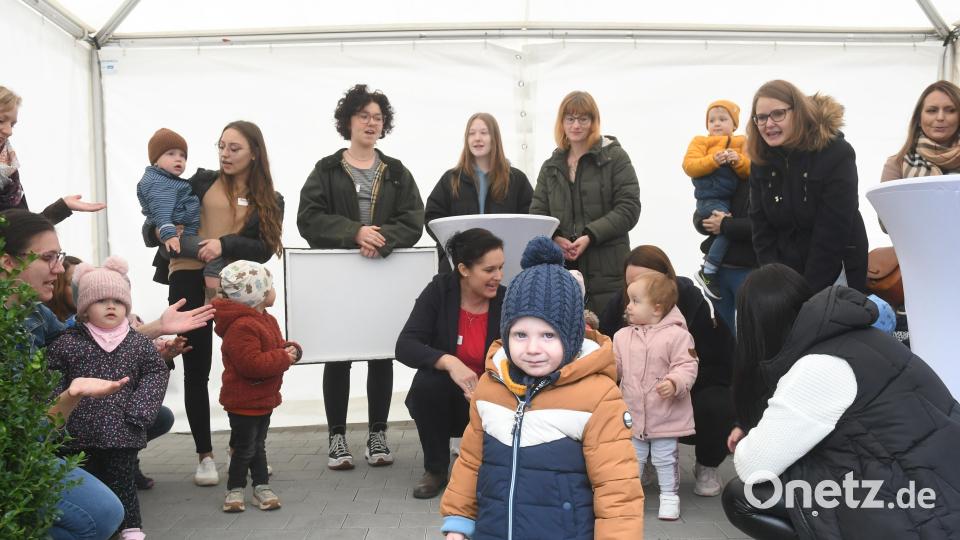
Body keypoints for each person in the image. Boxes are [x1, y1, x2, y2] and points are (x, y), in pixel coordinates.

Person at [1, 208, 212, 539]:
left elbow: (88, 344)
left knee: (156, 417)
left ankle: (95, 469)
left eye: (60, 256)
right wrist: (71, 395)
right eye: (48, 257)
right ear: (8, 262)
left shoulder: (37, 313)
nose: (59, 268)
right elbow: (24, 434)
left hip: (45, 431)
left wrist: (157, 328)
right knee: (104, 514)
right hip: (19, 451)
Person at [721, 263, 960, 539]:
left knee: (743, 497)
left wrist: (750, 439)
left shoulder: (817, 368)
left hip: (925, 512)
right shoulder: (861, 337)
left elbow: (754, 466)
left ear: (757, 327)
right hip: (942, 485)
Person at [440, 236, 643, 540]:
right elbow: (470, 462)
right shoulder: (491, 386)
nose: (532, 348)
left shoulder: (598, 397)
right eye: (520, 334)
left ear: (572, 337)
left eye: (548, 335)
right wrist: (458, 521)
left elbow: (617, 490)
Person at [143, 120, 285, 486]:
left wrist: (224, 244)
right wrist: (164, 229)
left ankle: (247, 451)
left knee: (248, 368)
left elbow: (265, 249)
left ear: (254, 152)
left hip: (238, 289)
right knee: (196, 369)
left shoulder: (270, 198)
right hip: (187, 277)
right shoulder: (198, 182)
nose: (224, 153)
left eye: (234, 148)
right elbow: (151, 227)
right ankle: (204, 455)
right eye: (221, 146)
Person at [297, 83, 424, 470]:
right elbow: (309, 218)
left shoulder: (398, 172)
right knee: (339, 356)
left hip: (381, 274)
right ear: (348, 121)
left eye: (377, 118)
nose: (371, 123)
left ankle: (377, 434)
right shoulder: (327, 169)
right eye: (363, 116)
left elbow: (414, 220)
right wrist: (354, 232)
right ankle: (337, 436)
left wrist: (380, 238)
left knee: (379, 354)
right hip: (340, 278)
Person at [46, 256, 169, 540]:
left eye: (118, 300)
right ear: (85, 309)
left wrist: (140, 412)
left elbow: (155, 372)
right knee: (88, 481)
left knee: (123, 482)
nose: (111, 306)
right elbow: (53, 377)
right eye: (101, 301)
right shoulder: (68, 342)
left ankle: (132, 529)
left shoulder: (137, 342)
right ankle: (105, 527)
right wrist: (57, 419)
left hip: (122, 430)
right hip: (77, 434)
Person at [599, 245, 734, 497]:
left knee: (719, 402)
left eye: (644, 281)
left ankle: (707, 464)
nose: (634, 292)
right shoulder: (621, 304)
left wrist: (677, 384)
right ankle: (644, 461)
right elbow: (604, 351)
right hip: (636, 397)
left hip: (687, 392)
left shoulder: (694, 301)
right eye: (630, 284)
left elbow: (720, 361)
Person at [395, 228, 506, 499]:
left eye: (501, 268)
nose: (498, 277)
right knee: (427, 385)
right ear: (464, 269)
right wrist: (448, 361)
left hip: (495, 394)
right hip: (451, 398)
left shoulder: (506, 300)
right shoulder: (439, 291)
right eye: (489, 269)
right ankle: (435, 469)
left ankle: (498, 467)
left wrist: (491, 382)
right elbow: (405, 345)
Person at [747, 79, 868, 293]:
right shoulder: (761, 161)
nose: (768, 124)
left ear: (798, 112)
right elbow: (761, 228)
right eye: (761, 117)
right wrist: (776, 282)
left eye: (778, 114)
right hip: (784, 278)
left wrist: (805, 293)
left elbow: (833, 231)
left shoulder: (836, 153)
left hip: (834, 272)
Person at [530, 90, 641, 313]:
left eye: (583, 119)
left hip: (607, 270)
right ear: (561, 123)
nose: (576, 125)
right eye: (570, 119)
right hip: (562, 269)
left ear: (594, 122)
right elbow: (537, 212)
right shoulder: (550, 166)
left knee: (607, 338)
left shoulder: (615, 158)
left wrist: (590, 235)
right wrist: (556, 237)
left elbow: (629, 207)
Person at [213, 261, 302, 513]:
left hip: (262, 398)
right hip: (243, 400)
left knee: (257, 445)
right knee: (246, 448)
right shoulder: (242, 327)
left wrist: (290, 349)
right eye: (270, 286)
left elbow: (275, 345)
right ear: (257, 294)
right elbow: (251, 364)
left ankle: (260, 487)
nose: (274, 290)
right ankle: (237, 489)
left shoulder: (265, 319)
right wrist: (283, 358)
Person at [613, 271, 698, 521]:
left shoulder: (678, 336)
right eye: (629, 300)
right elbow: (614, 367)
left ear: (657, 308)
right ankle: (631, 497)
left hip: (666, 414)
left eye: (636, 301)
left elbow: (688, 366)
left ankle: (670, 497)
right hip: (633, 412)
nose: (628, 306)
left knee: (665, 458)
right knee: (632, 458)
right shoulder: (622, 337)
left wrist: (675, 382)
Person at [424, 113, 532, 272]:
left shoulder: (516, 180)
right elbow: (432, 218)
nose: (477, 138)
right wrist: (456, 247)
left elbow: (529, 220)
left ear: (494, 138)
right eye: (471, 133)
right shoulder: (451, 179)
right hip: (460, 269)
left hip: (503, 269)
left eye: (484, 132)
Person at [0, 85, 105, 222]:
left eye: (12, 124)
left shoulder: (9, 172)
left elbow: (22, 231)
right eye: (1, 120)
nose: (9, 131)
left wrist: (62, 207)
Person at [137, 128, 225, 290]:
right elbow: (161, 211)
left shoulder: (168, 180)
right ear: (155, 160)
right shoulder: (159, 183)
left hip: (179, 238)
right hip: (176, 240)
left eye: (182, 155)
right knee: (214, 255)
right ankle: (214, 294)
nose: (178, 159)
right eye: (171, 154)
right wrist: (169, 235)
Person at [682, 99, 751, 300]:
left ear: (734, 124)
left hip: (728, 199)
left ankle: (710, 268)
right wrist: (713, 160)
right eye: (712, 120)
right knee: (726, 227)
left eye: (723, 119)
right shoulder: (700, 142)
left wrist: (737, 162)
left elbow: (748, 170)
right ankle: (709, 269)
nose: (717, 124)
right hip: (708, 198)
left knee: (726, 226)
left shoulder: (742, 143)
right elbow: (690, 166)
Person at [881, 80, 960, 184]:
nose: (940, 117)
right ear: (918, 118)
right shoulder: (897, 164)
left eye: (950, 110)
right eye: (932, 110)